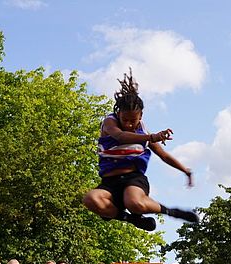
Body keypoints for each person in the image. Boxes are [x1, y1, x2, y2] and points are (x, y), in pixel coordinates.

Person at [81, 70, 198, 231]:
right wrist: (151, 137)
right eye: (125, 119)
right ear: (118, 114)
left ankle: (171, 211)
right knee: (90, 199)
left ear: (141, 116)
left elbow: (163, 155)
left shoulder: (144, 132)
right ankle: (131, 219)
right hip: (110, 183)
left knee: (134, 203)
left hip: (133, 180)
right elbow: (120, 136)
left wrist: (186, 171)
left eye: (133, 120)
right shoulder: (110, 123)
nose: (129, 124)